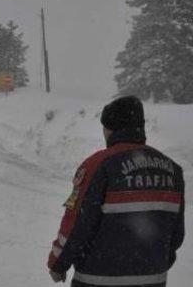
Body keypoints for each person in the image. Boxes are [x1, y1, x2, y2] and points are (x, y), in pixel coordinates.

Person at [47, 96, 185, 287]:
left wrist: (58, 263)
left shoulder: (99, 165)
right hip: (153, 280)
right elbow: (176, 234)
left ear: (110, 129)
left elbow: (77, 223)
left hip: (98, 280)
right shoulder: (172, 170)